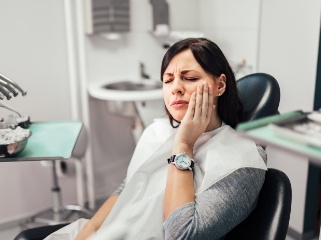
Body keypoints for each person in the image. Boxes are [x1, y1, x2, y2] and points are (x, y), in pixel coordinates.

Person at [46, 38, 267, 240]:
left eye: (190, 78)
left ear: (219, 85)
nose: (176, 89)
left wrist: (184, 144)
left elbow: (181, 235)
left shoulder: (243, 161)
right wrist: (90, 229)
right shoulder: (157, 131)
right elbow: (129, 187)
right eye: (168, 80)